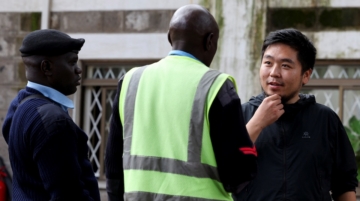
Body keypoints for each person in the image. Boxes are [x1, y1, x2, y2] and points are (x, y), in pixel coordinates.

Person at [105, 4, 257, 201]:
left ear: (170, 37)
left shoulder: (130, 81)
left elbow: (113, 164)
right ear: (210, 41)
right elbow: (238, 173)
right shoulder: (215, 86)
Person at [235, 28, 358, 201]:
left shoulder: (325, 120)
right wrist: (257, 123)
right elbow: (222, 169)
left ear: (306, 75)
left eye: (285, 65)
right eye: (268, 63)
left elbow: (344, 184)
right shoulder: (240, 115)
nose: (274, 73)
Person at [2, 29, 100, 201]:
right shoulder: (53, 121)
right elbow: (69, 196)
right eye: (72, 63)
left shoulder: (19, 104)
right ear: (46, 67)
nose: (78, 70)